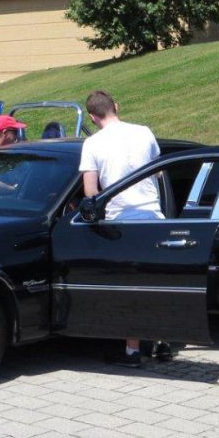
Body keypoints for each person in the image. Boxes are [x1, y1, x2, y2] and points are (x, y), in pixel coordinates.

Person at [79, 90, 173, 366]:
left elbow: (90, 192)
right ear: (116, 107)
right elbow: (159, 171)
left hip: (122, 224)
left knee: (130, 288)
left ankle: (132, 351)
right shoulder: (144, 132)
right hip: (153, 219)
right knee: (156, 285)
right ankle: (163, 342)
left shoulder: (92, 144)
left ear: (93, 117)